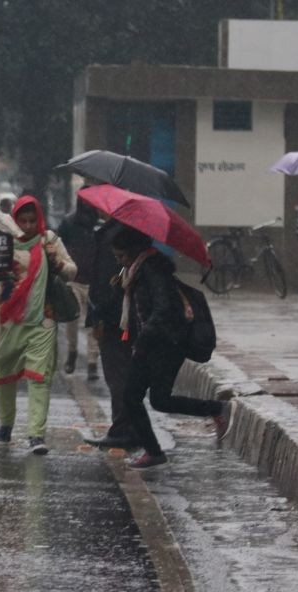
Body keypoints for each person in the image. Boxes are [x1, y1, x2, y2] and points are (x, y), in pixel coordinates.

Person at [112, 225, 231, 470]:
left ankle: (154, 452)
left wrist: (144, 337)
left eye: (122, 256)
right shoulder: (138, 270)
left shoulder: (152, 270)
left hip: (163, 344)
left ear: (134, 251)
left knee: (132, 397)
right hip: (158, 343)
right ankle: (216, 409)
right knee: (159, 400)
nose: (120, 261)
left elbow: (163, 308)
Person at [0, 195, 77, 455]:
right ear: (14, 219)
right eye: (22, 221)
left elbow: (72, 271)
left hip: (42, 320)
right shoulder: (4, 241)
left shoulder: (49, 240)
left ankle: (36, 434)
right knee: (3, 373)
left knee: (40, 377)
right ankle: (6, 424)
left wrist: (56, 261)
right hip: (7, 319)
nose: (26, 226)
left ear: (39, 219)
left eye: (31, 221)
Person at [82, 218, 142, 450]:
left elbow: (107, 284)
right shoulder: (122, 231)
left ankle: (123, 431)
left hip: (115, 320)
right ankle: (129, 428)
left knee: (118, 378)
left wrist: (98, 317)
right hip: (124, 318)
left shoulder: (114, 236)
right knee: (123, 377)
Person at [56, 196, 100, 379]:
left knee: (92, 323)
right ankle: (73, 351)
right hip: (73, 279)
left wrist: (114, 281)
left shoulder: (99, 226)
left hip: (94, 282)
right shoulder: (68, 223)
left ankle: (92, 362)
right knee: (72, 320)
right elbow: (59, 246)